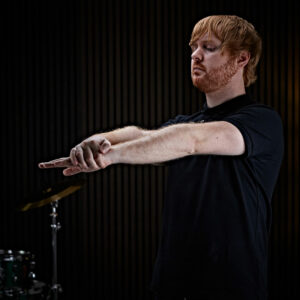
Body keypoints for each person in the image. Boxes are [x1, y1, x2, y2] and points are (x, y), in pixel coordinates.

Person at [39, 15, 284, 300]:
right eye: (193, 47)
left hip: (231, 288)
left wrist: (112, 155)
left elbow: (192, 140)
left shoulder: (261, 121)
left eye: (209, 47)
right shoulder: (186, 122)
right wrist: (99, 141)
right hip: (172, 286)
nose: (195, 55)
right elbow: (144, 135)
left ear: (242, 58)